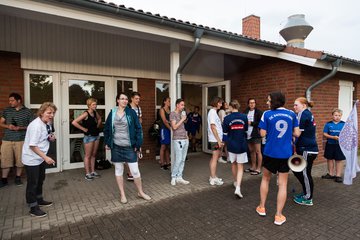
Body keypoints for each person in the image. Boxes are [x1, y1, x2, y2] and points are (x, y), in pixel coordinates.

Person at [256, 92, 300, 226]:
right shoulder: (292, 114)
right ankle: (278, 215)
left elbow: (262, 133)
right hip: (285, 154)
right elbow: (297, 133)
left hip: (270, 152)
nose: (267, 102)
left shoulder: (267, 114)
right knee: (283, 184)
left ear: (275, 101)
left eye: (269, 100)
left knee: (265, 179)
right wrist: (288, 133)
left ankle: (262, 207)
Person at [104, 92, 151, 204]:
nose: (124, 101)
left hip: (129, 147)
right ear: (117, 101)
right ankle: (123, 194)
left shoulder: (131, 113)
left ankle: (140, 192)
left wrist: (138, 144)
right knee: (119, 170)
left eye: (126, 99)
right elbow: (106, 129)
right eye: (122, 99)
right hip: (116, 146)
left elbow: (138, 129)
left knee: (135, 171)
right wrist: (107, 142)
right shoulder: (112, 113)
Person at [22, 102, 57, 217]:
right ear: (41, 112)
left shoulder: (47, 122)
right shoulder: (35, 125)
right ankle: (33, 207)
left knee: (40, 179)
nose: (51, 115)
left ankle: (39, 199)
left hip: (40, 158)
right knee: (33, 182)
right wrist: (46, 157)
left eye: (53, 113)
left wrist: (51, 137)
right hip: (32, 158)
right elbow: (32, 145)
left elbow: (47, 135)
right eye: (49, 113)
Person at [0, 93, 34, 188]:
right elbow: (1, 123)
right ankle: (4, 180)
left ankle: (18, 178)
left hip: (21, 140)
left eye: (12, 100)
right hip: (7, 139)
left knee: (20, 160)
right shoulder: (7, 110)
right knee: (5, 160)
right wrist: (8, 126)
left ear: (18, 101)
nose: (10, 102)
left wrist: (20, 128)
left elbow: (32, 127)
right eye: (9, 100)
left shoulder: (28, 112)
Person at [292, 97, 318, 206]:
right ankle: (306, 193)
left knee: (305, 173)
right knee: (296, 170)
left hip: (307, 149)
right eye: (294, 105)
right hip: (307, 148)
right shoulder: (307, 113)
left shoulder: (303, 114)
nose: (294, 107)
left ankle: (308, 198)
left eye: (296, 105)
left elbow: (297, 134)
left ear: (303, 105)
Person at [223, 100, 248, 198]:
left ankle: (235, 182)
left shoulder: (227, 118)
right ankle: (238, 187)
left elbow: (225, 132)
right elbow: (245, 129)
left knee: (233, 163)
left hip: (231, 144)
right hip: (241, 144)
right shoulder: (244, 117)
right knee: (240, 166)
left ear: (230, 106)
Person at [72, 98, 102, 181]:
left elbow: (100, 119)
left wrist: (97, 125)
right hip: (89, 137)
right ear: (89, 105)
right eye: (93, 104)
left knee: (93, 155)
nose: (95, 106)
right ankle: (87, 174)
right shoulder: (86, 113)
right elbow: (74, 122)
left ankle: (92, 172)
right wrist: (84, 129)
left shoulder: (95, 113)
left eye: (95, 104)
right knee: (88, 156)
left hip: (96, 136)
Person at [321, 108, 345, 183]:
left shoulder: (344, 124)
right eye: (335, 115)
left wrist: (342, 138)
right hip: (330, 144)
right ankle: (331, 174)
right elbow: (324, 133)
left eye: (339, 115)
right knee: (329, 159)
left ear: (341, 116)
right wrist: (333, 137)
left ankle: (338, 175)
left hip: (340, 145)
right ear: (332, 115)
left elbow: (347, 134)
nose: (337, 117)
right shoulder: (328, 124)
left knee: (339, 160)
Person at [169, 99, 190, 186]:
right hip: (177, 139)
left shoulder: (181, 114)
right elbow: (174, 127)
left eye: (183, 105)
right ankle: (173, 177)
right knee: (178, 159)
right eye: (182, 105)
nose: (183, 106)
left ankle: (179, 177)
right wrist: (182, 119)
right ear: (177, 105)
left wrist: (184, 119)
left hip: (185, 138)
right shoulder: (172, 114)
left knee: (183, 159)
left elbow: (182, 125)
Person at [244, 98, 263, 175]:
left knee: (258, 151)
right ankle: (253, 167)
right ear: (248, 104)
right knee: (251, 151)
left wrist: (251, 123)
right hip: (248, 134)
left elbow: (261, 123)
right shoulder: (245, 112)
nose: (252, 104)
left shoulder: (259, 112)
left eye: (253, 103)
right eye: (250, 103)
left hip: (256, 134)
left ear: (255, 104)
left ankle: (258, 169)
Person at [207, 96, 224, 186]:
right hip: (215, 139)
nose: (221, 105)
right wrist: (218, 141)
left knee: (214, 158)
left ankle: (212, 176)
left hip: (216, 139)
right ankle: (213, 178)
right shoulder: (212, 113)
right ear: (216, 102)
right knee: (215, 158)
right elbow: (213, 127)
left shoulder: (214, 112)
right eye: (220, 103)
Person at [126, 91, 143, 181]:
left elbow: (140, 119)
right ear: (131, 98)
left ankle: (134, 171)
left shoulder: (139, 108)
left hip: (137, 132)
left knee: (137, 151)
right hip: (129, 133)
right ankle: (129, 173)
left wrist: (139, 122)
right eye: (136, 99)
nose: (138, 100)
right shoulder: (127, 108)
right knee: (129, 152)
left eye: (139, 99)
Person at [159, 97, 171, 170]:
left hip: (169, 129)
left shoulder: (170, 110)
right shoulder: (162, 110)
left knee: (167, 147)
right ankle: (162, 164)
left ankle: (168, 162)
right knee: (163, 146)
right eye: (169, 101)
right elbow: (164, 121)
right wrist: (170, 129)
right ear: (164, 102)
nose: (170, 102)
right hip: (164, 129)